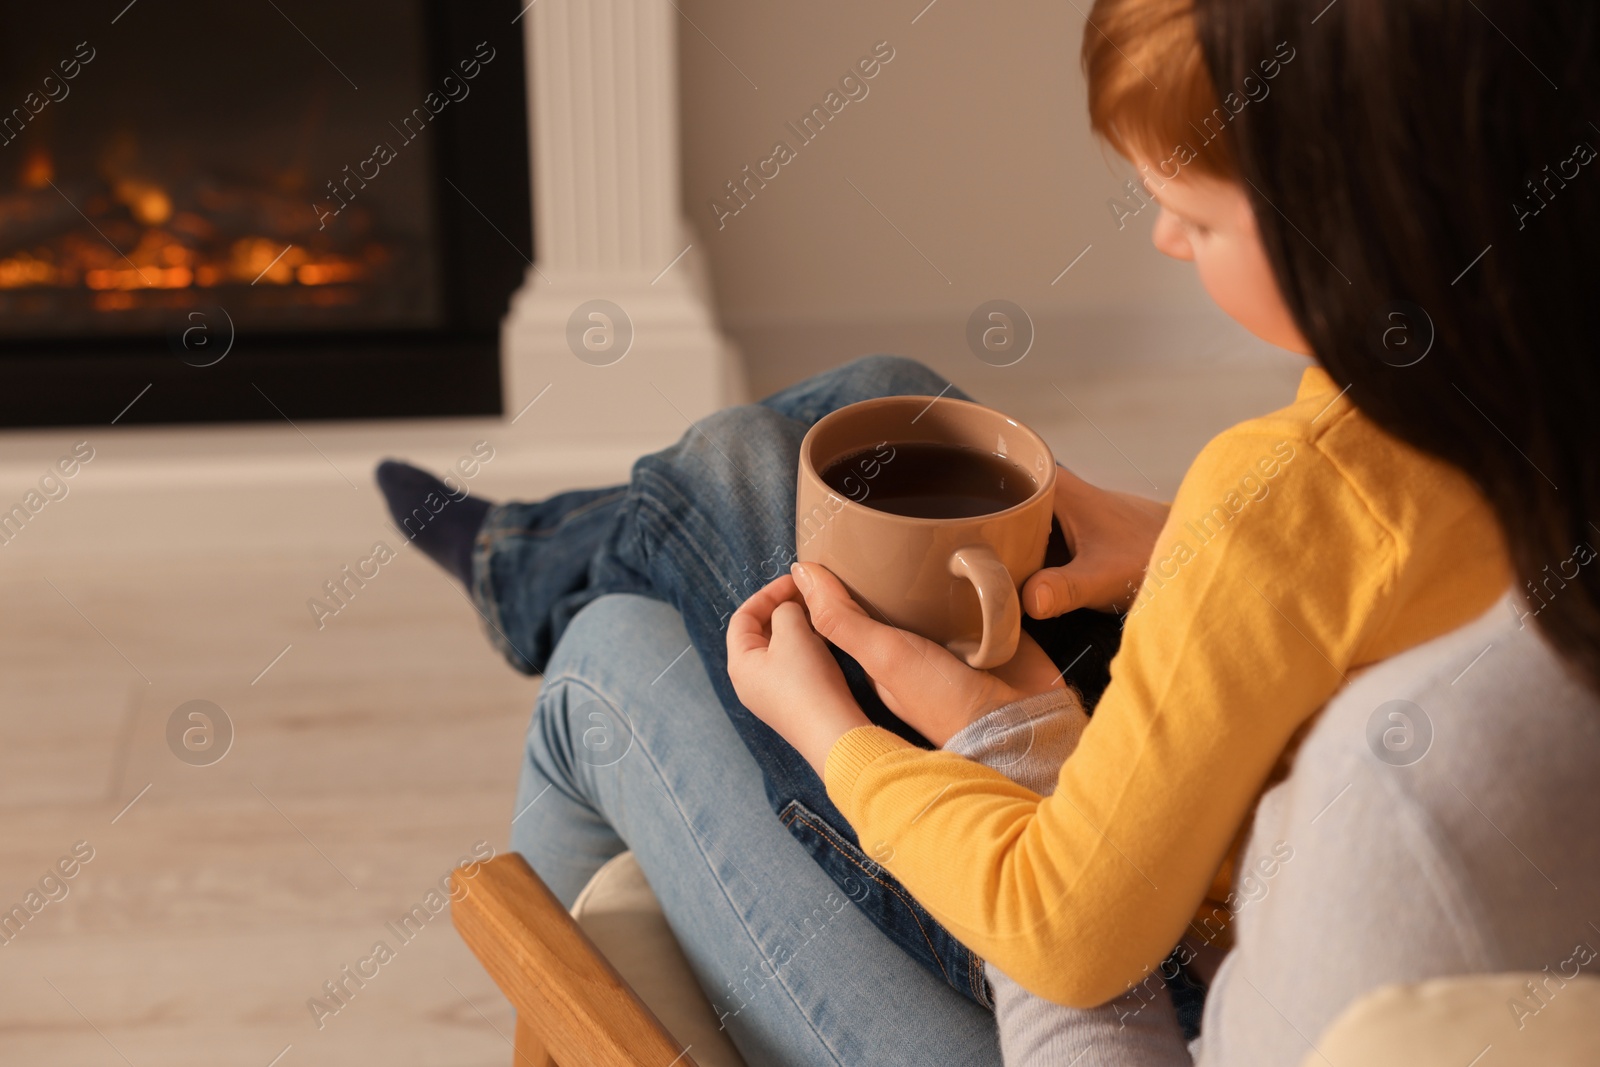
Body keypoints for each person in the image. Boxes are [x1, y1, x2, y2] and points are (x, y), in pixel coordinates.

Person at [390, 0, 1600, 1061]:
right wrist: (1187, 541)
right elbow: (1390, 574)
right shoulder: (1526, 407)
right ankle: (548, 550)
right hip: (1210, 861)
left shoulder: (1286, 496)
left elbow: (1065, 937)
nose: (1163, 239)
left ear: (1366, 227)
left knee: (628, 618)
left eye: (1194, 214)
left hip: (1146, 977)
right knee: (885, 392)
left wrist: (868, 738)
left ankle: (538, 565)